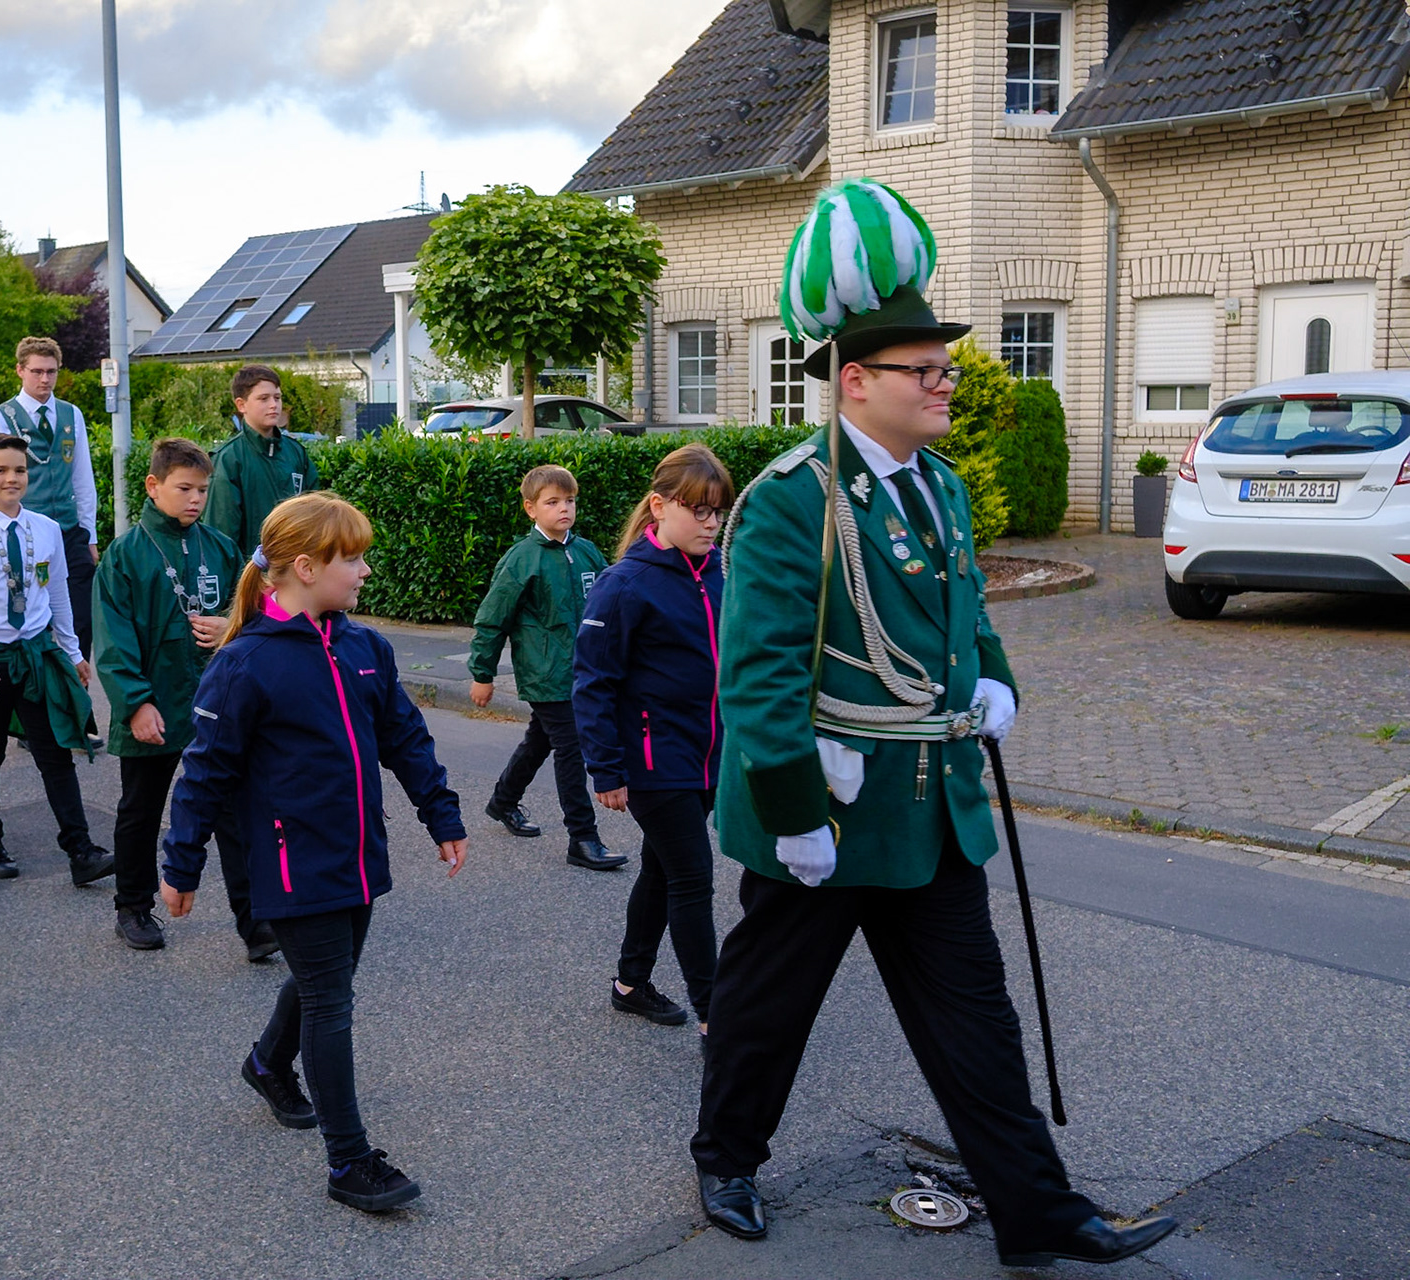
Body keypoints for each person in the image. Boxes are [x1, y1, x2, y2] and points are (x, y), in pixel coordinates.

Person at [690, 179, 1175, 1268]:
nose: (948, 381)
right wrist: (794, 811)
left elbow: (964, 619)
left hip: (930, 805)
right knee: (769, 1006)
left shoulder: (942, 490)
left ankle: (1039, 1213)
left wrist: (995, 680)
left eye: (946, 366)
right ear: (854, 381)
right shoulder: (792, 499)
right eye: (927, 370)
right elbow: (758, 674)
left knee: (977, 1021)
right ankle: (726, 1154)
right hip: (827, 805)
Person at [161, 492, 467, 1215]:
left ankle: (268, 1064)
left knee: (325, 977)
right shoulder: (245, 665)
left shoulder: (364, 648)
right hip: (292, 863)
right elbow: (204, 771)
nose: (364, 570)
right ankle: (350, 1162)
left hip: (357, 854)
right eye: (351, 558)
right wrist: (181, 864)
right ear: (304, 567)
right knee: (332, 1000)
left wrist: (441, 812)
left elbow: (406, 738)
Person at [573, 445, 731, 1050]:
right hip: (652, 762)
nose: (710, 522)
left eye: (718, 510)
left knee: (663, 870)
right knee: (693, 875)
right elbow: (591, 682)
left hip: (708, 755)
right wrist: (606, 768)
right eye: (698, 510)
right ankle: (714, 1011)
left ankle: (630, 982)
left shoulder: (719, 572)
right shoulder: (624, 584)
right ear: (660, 506)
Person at [92, 437, 275, 958]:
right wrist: (135, 702)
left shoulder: (219, 547)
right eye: (184, 488)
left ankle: (254, 923)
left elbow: (255, 615)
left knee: (232, 816)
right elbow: (113, 639)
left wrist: (230, 627)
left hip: (216, 708)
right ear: (153, 486)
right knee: (140, 811)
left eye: (202, 489)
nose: (195, 499)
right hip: (154, 705)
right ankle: (133, 906)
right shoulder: (126, 556)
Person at [0, 434, 113, 885]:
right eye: (0, 470)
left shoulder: (45, 529)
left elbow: (57, 597)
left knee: (55, 753)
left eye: (19, 470)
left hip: (35, 655)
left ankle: (80, 849)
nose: (11, 478)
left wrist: (72, 652)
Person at [467, 464, 622, 871]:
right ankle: (583, 839)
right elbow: (492, 618)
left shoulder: (586, 551)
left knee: (541, 739)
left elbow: (609, 606)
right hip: (546, 673)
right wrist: (482, 674)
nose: (564, 509)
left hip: (584, 671)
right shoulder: (522, 559)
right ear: (530, 509)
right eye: (552, 502)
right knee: (571, 747)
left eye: (569, 501)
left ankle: (502, 801)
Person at [0, 337, 99, 659]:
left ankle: (75, 681)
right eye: (37, 371)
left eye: (51, 372)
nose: (45, 380)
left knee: (80, 617)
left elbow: (83, 479)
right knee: (32, 615)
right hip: (25, 531)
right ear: (20, 371)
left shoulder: (72, 415)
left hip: (70, 531)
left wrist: (90, 535)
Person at [204, 364, 319, 556]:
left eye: (277, 397)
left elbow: (316, 515)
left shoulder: (297, 453)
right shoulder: (228, 459)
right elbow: (221, 536)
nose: (274, 405)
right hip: (253, 578)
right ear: (241, 405)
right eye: (263, 399)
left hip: (297, 574)